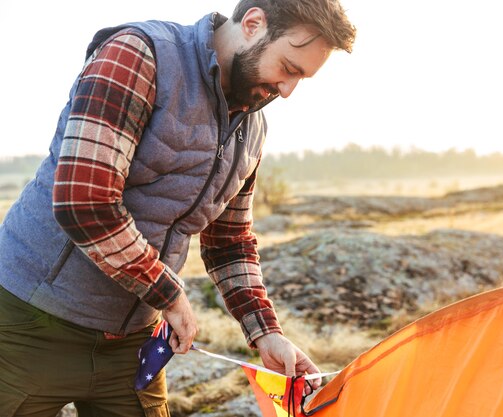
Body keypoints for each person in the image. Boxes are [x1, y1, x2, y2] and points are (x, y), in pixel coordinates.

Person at [0, 0, 356, 415]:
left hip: (133, 345)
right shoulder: (138, 54)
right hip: (29, 326)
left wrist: (266, 333)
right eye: (289, 68)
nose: (287, 90)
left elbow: (230, 242)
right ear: (254, 24)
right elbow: (85, 202)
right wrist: (168, 292)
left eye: (302, 78)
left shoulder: (252, 126)